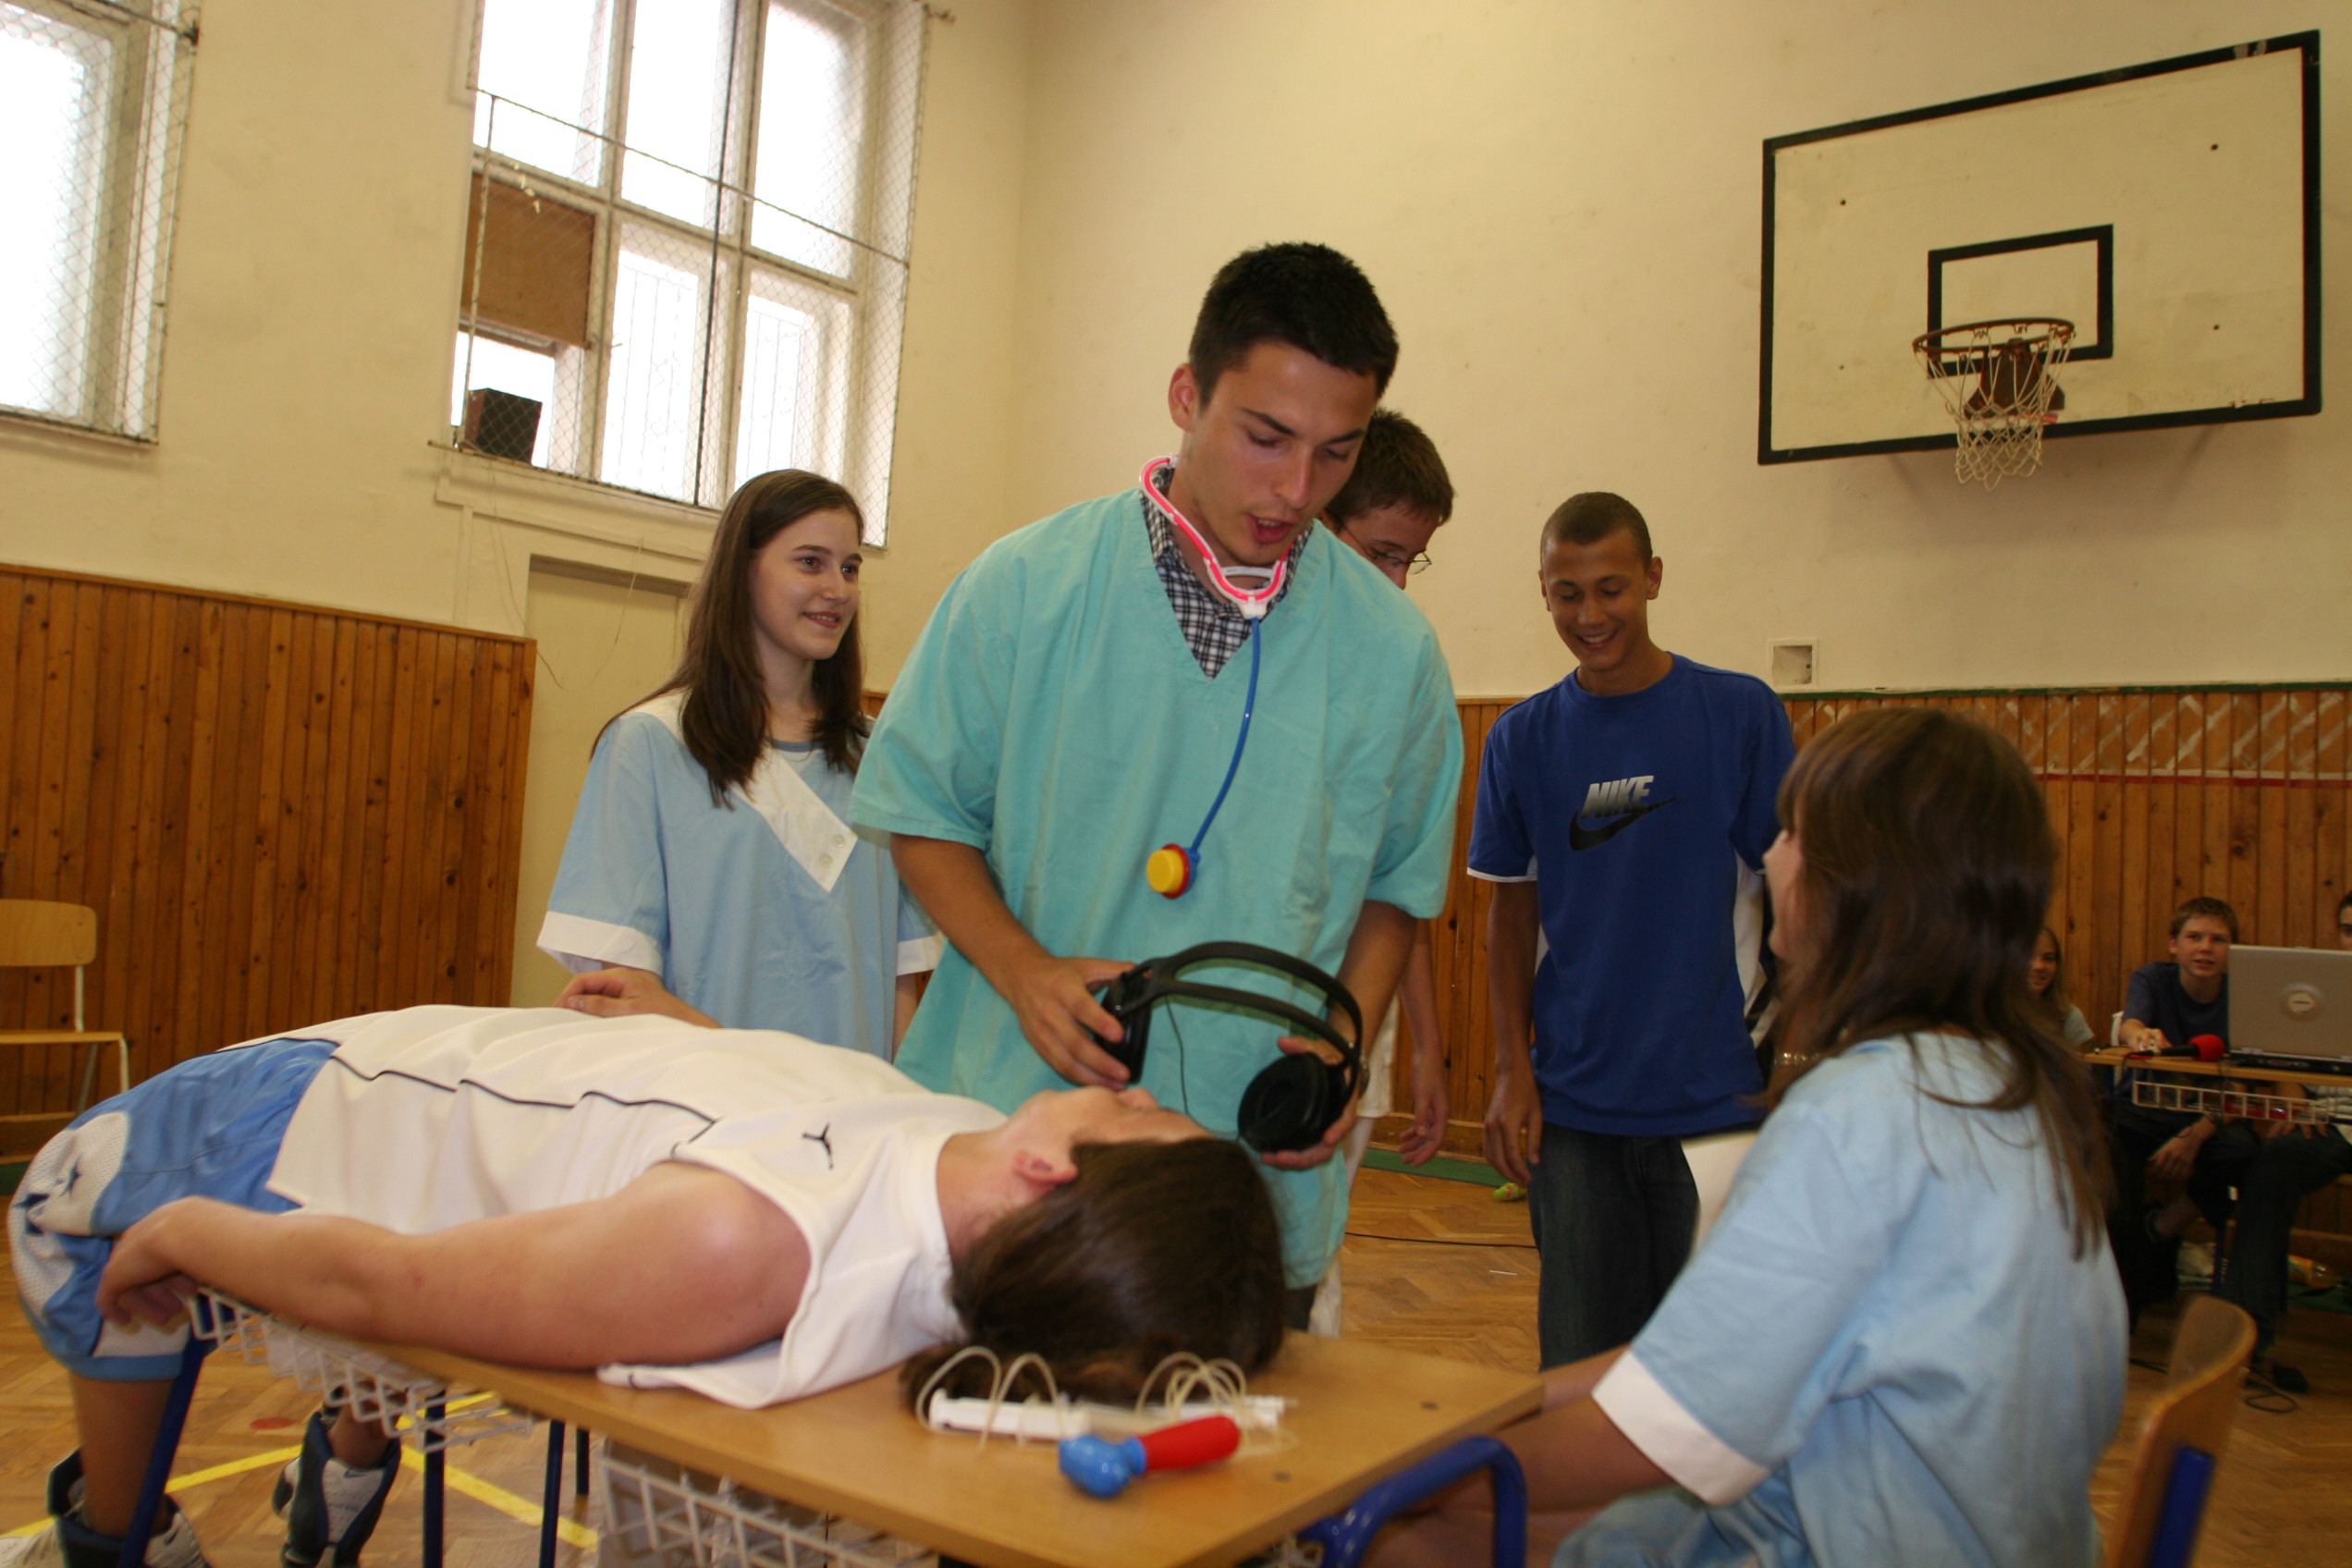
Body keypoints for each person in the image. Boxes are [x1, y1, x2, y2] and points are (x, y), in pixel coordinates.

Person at [5, 1006, 1286, 1568]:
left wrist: (185, 1226)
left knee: (58, 1209)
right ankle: (323, 1480)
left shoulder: (737, 1247)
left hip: (331, 1107)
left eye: (1146, 1117)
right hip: (489, 1054)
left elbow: (381, 1281)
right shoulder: (962, 1147)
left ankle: (117, 1537)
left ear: (1051, 1175)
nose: (1138, 1090)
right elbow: (798, 1106)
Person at [849, 244, 1463, 1320]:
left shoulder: (1394, 652)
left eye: (1335, 453)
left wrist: (1345, 1037)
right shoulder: (1024, 587)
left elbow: (1393, 893)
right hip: (1008, 1149)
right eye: (1265, 437)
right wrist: (1026, 972)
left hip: (1248, 1184)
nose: (1296, 489)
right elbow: (922, 816)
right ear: (1187, 395)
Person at [1374, 708, 2125, 1568]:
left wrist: (1407, 1475)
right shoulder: (2011, 1086)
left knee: (1398, 1536)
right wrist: (1481, 1422)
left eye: (1793, 834)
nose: (1771, 854)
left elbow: (1668, 1434)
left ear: (1861, 885)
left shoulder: (1859, 1118)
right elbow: (1691, 1362)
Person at [1470, 492, 1795, 1367]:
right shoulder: (1520, 739)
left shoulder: (1741, 714)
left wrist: (1802, 1059)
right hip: (1574, 1111)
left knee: (1714, 1379)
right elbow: (1510, 915)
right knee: (1581, 1373)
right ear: (1543, 593)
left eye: (1610, 589)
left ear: (1652, 578)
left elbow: (1799, 900)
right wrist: (1512, 1071)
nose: (1590, 615)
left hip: (1718, 1102)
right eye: (1567, 593)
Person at [538, 469, 938, 1057]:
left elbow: (902, 985)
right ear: (743, 570)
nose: (838, 588)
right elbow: (625, 989)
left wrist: (903, 1101)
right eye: (810, 562)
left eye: (850, 568)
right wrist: (749, 1066)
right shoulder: (648, 744)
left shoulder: (879, 756)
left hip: (853, 1102)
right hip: (705, 1097)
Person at [1307, 408, 1455, 1335]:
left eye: (1412, 561)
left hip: (1355, 1013)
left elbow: (1402, 886)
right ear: (1319, 520)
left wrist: (1426, 1045)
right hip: (1256, 1003)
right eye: (1380, 554)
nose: (1396, 582)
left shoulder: (1404, 669)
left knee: (1316, 1244)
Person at [2212, 887, 2352, 1392]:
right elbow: (2287, 1062)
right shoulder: (2322, 991)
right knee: (2271, 1166)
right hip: (2330, 1123)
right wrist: (2296, 1104)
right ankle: (2245, 1342)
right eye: (2349, 930)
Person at [2107, 896, 2260, 1325]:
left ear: (2232, 950)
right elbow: (2131, 1025)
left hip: (2210, 1120)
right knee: (2107, 1140)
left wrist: (2193, 1138)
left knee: (2246, 1152)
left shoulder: (2245, 993)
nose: (2205, 948)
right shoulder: (2153, 978)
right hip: (2144, 1111)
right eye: (2194, 937)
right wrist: (2138, 1036)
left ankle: (2163, 1227)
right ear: (2174, 944)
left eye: (2218, 939)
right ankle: (2123, 1294)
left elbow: (2244, 1085)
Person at [2030, 925, 2098, 1051]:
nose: (2039, 966)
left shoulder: (2069, 1017)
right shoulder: (1992, 1014)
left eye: (2049, 958)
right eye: (2029, 956)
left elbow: (2082, 1062)